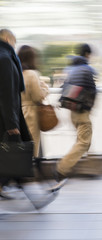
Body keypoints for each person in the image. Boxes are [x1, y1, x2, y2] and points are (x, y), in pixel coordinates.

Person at [50, 43, 97, 191]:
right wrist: (90, 106)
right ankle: (61, 168)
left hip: (72, 110)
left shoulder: (70, 69)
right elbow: (92, 91)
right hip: (82, 111)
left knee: (83, 140)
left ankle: (92, 167)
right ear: (87, 54)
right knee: (83, 142)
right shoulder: (87, 69)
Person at [0, 29, 32, 198]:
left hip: (6, 116)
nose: (15, 46)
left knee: (11, 153)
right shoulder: (5, 59)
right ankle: (25, 190)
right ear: (7, 39)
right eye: (14, 42)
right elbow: (7, 93)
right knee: (14, 152)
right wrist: (12, 123)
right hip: (6, 118)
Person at [18, 45, 49, 158]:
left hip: (17, 113)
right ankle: (29, 173)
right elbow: (37, 97)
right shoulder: (32, 74)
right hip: (30, 114)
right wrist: (45, 89)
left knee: (21, 147)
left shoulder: (15, 72)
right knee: (32, 149)